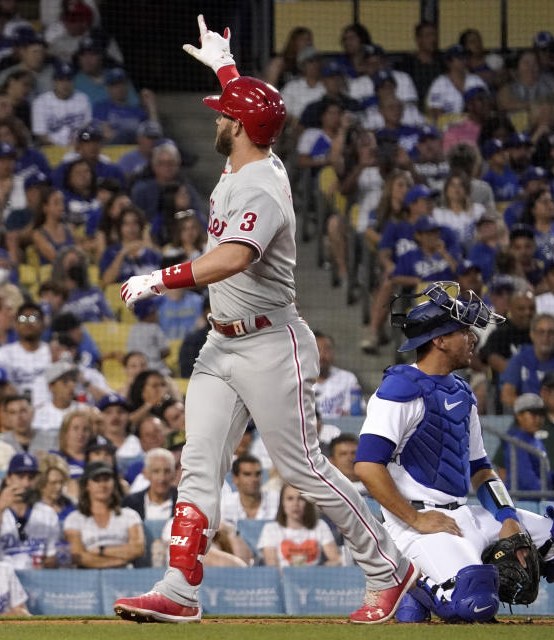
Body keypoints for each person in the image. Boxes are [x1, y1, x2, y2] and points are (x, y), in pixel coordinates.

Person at [113, 16, 415, 624]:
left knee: (303, 467)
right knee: (197, 460)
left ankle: (388, 567)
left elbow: (233, 257)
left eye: (226, 113)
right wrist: (225, 66)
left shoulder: (262, 186)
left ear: (243, 128)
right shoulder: (249, 156)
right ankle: (180, 586)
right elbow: (249, 116)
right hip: (222, 345)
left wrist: (160, 277)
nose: (218, 119)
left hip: (273, 346)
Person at [354, 282, 554, 622]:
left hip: (463, 514)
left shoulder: (462, 391)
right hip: (417, 523)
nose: (473, 337)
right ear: (439, 340)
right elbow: (367, 467)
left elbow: (482, 470)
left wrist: (508, 519)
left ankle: (443, 579)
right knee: (475, 602)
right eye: (463, 331)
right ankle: (413, 581)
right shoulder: (399, 388)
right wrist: (415, 519)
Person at [0, 452, 61, 569]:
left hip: (35, 581)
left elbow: (51, 557)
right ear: (8, 479)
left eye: (30, 478)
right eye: (20, 477)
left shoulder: (48, 514)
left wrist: (45, 564)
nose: (26, 483)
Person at [64, 460, 144, 569]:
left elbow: (137, 549)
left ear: (113, 483)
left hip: (124, 577)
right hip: (89, 577)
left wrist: (101, 550)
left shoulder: (130, 515)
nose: (102, 484)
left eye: (106, 479)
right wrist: (119, 560)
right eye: (97, 480)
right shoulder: (74, 519)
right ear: (87, 485)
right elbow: (78, 556)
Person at [259, 484, 342, 567]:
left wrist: (318, 571)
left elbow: (335, 560)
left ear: (308, 502)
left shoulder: (320, 526)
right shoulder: (270, 529)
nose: (295, 504)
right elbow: (272, 568)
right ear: (282, 503)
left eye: (301, 499)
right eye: (290, 499)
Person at [499, 313, 554, 408]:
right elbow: (507, 396)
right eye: (541, 332)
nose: (546, 337)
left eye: (551, 332)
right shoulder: (519, 359)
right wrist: (531, 410)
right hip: (527, 416)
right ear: (532, 334)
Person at [314, 331, 362, 419]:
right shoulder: (298, 380)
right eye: (317, 350)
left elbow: (355, 414)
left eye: (326, 350)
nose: (322, 355)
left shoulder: (348, 378)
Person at [219, 454, 279, 524]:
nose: (254, 479)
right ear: (235, 479)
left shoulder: (277, 500)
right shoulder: (224, 504)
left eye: (258, 474)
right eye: (247, 474)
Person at [122, 448, 178, 521]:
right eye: (156, 471)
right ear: (145, 473)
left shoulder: (184, 501)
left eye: (167, 471)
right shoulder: (129, 503)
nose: (162, 478)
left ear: (174, 474)